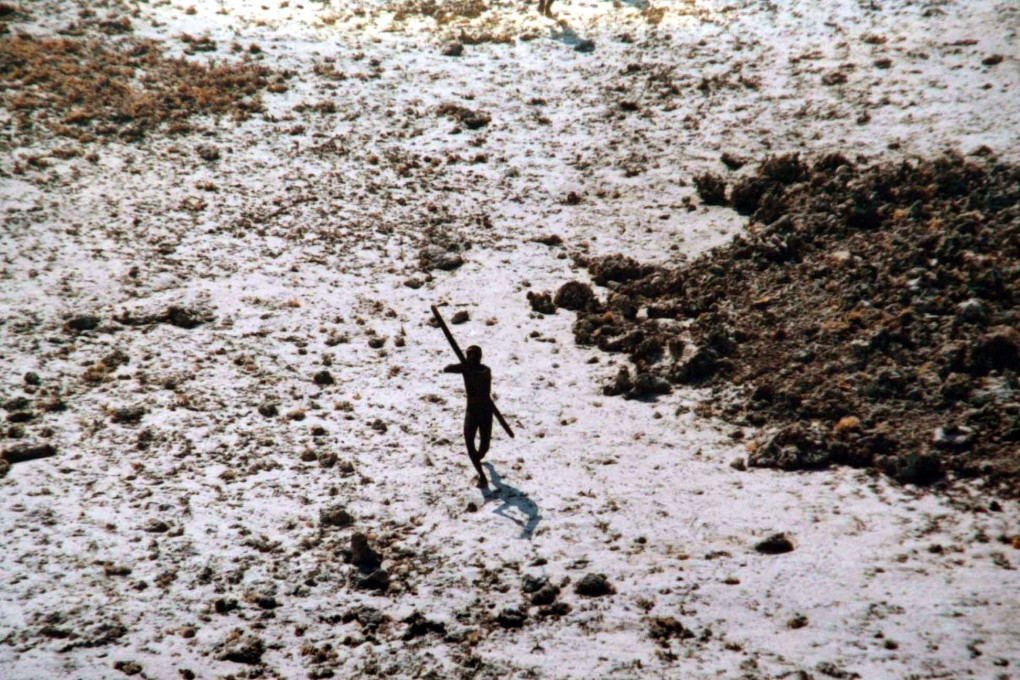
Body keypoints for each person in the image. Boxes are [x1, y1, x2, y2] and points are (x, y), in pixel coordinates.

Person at [443, 345, 494, 487]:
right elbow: (447, 369)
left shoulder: (484, 371)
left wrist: (465, 365)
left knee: (483, 447)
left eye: (472, 356)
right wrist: (464, 366)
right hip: (473, 411)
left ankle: (477, 459)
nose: (470, 358)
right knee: (469, 443)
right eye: (469, 356)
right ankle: (481, 475)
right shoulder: (466, 368)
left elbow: (453, 369)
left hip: (484, 410)